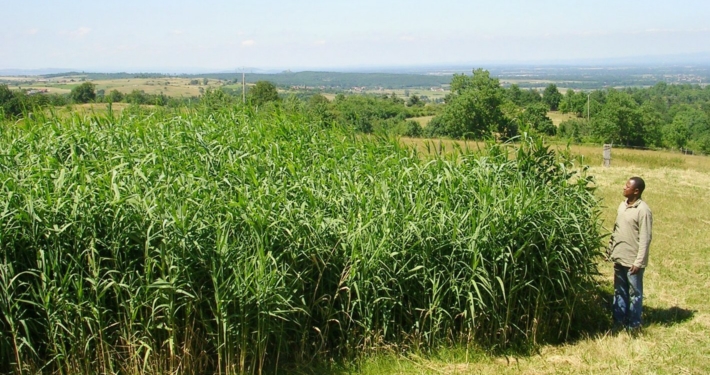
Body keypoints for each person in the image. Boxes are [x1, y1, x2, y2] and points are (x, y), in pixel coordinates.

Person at [608, 176, 652, 334]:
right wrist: (610, 250)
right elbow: (616, 230)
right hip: (619, 257)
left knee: (635, 294)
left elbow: (646, 238)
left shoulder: (643, 210)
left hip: (633, 261)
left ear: (636, 191)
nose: (623, 188)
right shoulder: (622, 206)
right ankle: (618, 322)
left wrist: (639, 262)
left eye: (627, 186)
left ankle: (634, 326)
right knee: (619, 291)